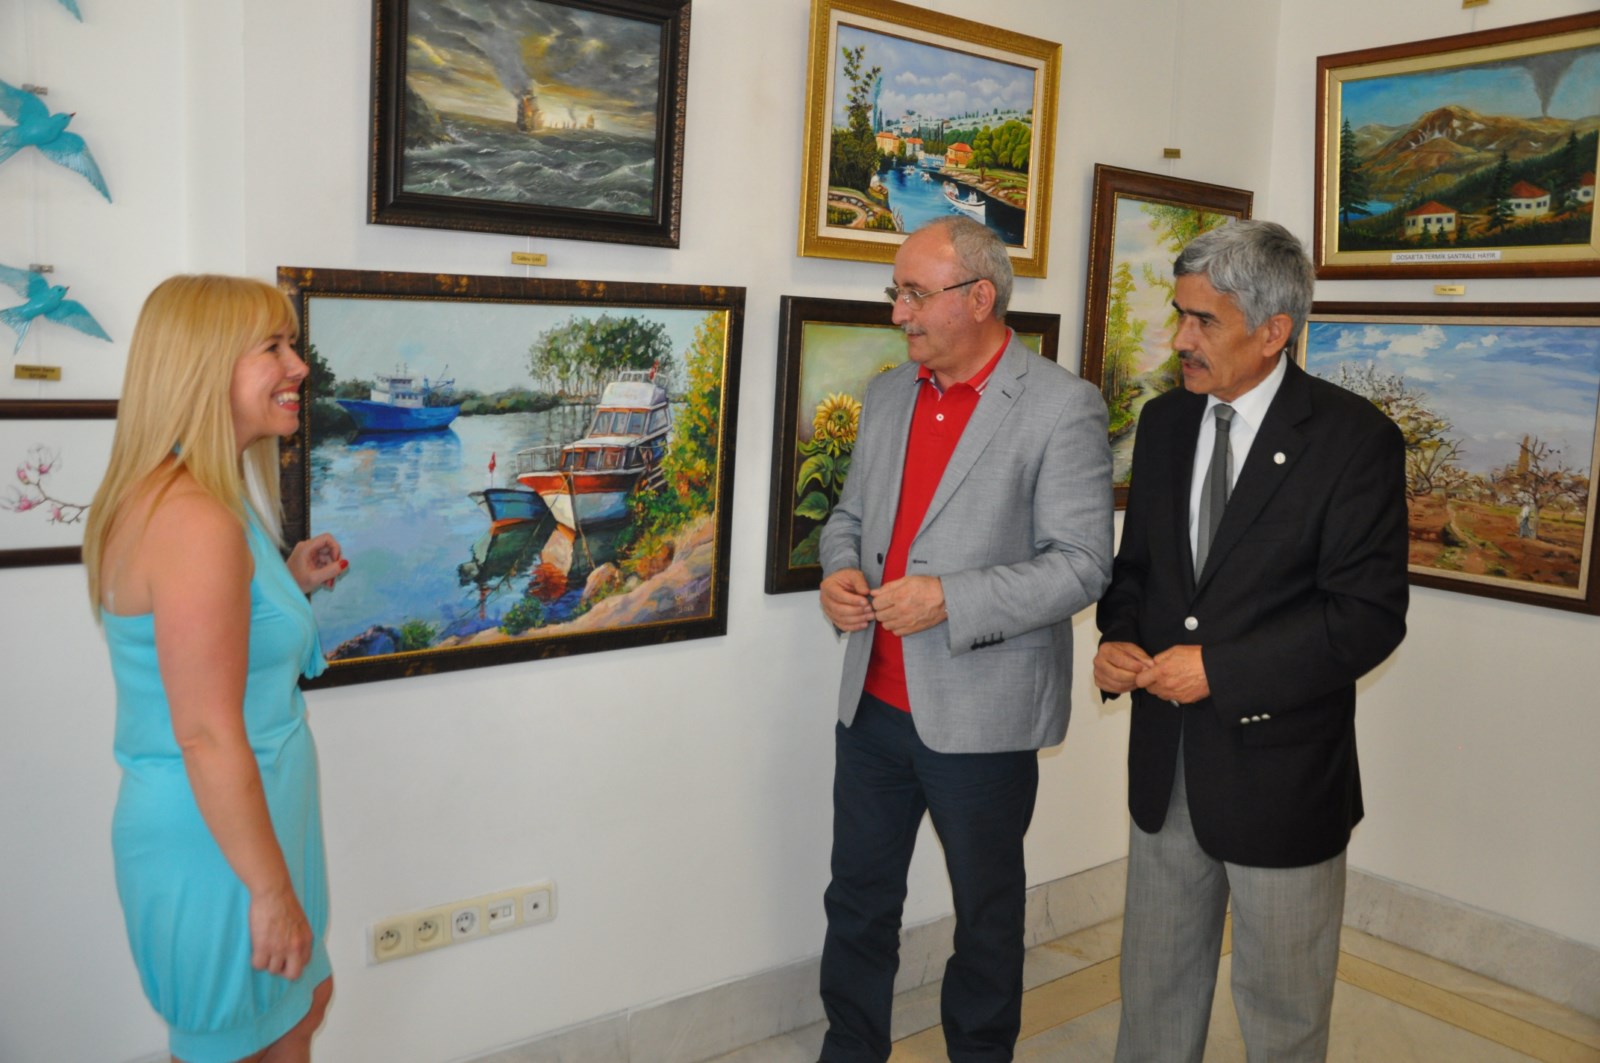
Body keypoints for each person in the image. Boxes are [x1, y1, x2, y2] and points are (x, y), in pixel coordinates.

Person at [1093, 220, 1409, 1062]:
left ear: (1274, 332)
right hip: (1166, 768)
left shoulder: (1353, 441)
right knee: (1154, 994)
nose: (1180, 339)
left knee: (1282, 1012)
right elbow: (1138, 572)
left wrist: (1221, 670)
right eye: (1180, 314)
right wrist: (1118, 637)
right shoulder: (1165, 422)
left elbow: (1367, 616)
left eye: (1203, 321)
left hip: (1284, 779)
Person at [816, 215, 1113, 1062]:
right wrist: (840, 571)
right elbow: (848, 518)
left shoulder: (1061, 406)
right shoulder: (887, 394)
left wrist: (950, 597)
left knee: (986, 916)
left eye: (915, 293)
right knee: (858, 901)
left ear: (980, 297)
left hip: (984, 718)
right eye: (897, 292)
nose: (898, 313)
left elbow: (1083, 565)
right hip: (873, 706)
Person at [83, 275, 347, 1063]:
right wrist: (268, 888)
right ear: (203, 368)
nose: (299, 366)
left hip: (256, 815)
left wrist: (286, 583)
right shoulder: (193, 517)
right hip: (218, 841)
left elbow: (217, 633)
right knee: (241, 1043)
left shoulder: (205, 495)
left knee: (299, 1010)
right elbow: (202, 730)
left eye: (291, 343)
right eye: (272, 347)